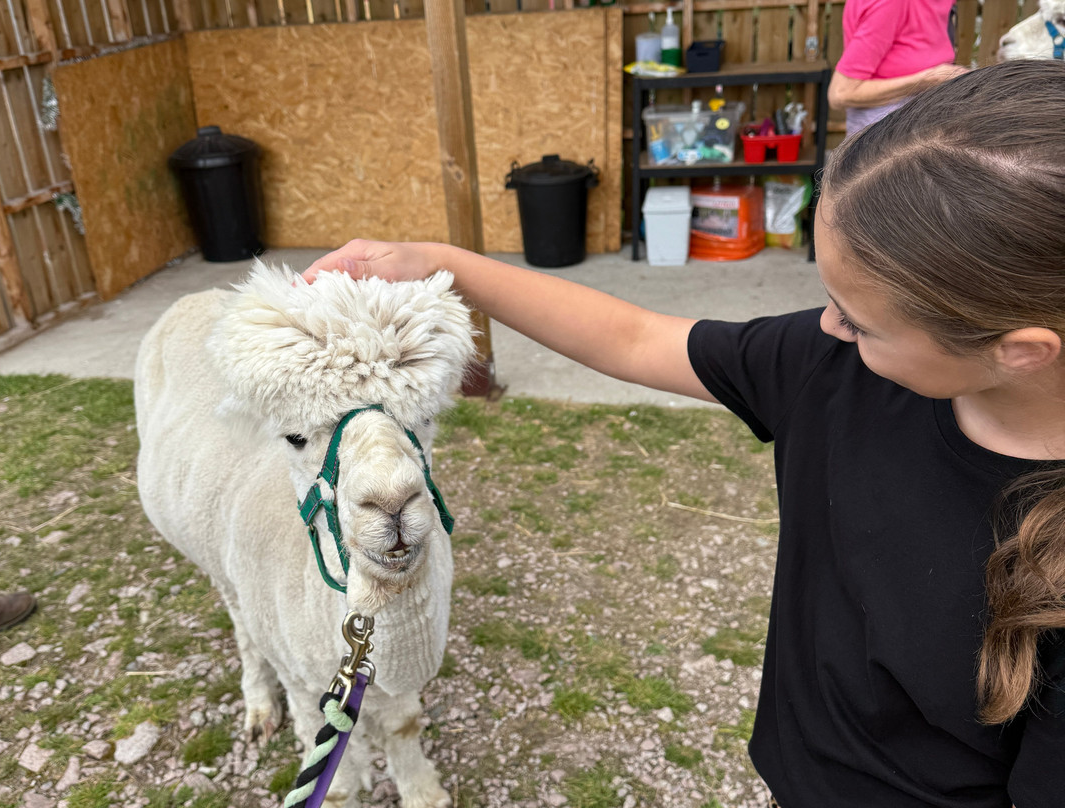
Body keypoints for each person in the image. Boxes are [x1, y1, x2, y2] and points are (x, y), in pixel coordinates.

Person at [303, 60, 1065, 807]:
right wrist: (438, 265)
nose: (827, 324)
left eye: (859, 318)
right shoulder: (834, 367)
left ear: (1019, 350)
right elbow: (635, 337)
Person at [828, 0, 968, 135]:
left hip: (923, 115)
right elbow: (841, 93)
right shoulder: (891, 3)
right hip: (883, 130)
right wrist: (927, 80)